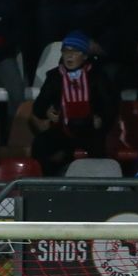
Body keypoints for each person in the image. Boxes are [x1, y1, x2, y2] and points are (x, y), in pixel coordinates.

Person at [30, 31, 118, 175]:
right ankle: (45, 186)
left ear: (84, 56)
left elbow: (110, 104)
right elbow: (38, 108)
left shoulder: (98, 76)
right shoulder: (54, 77)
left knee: (99, 152)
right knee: (41, 144)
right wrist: (47, 112)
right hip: (63, 129)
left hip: (90, 130)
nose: (69, 56)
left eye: (75, 52)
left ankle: (97, 189)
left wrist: (101, 119)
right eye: (66, 51)